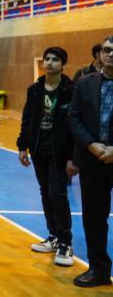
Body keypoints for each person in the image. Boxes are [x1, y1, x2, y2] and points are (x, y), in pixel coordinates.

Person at [17, 46, 77, 267]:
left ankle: (65, 242)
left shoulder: (70, 90)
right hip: (38, 149)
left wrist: (73, 156)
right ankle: (53, 236)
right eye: (47, 59)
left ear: (63, 65)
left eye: (55, 59)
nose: (50, 63)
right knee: (46, 192)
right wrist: (22, 146)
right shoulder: (34, 90)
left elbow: (74, 124)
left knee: (57, 193)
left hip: (59, 152)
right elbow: (27, 118)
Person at [66, 35, 113, 288]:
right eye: (107, 50)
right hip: (92, 160)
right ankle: (99, 269)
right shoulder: (84, 83)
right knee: (94, 218)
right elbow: (73, 118)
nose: (111, 54)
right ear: (100, 54)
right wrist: (91, 145)